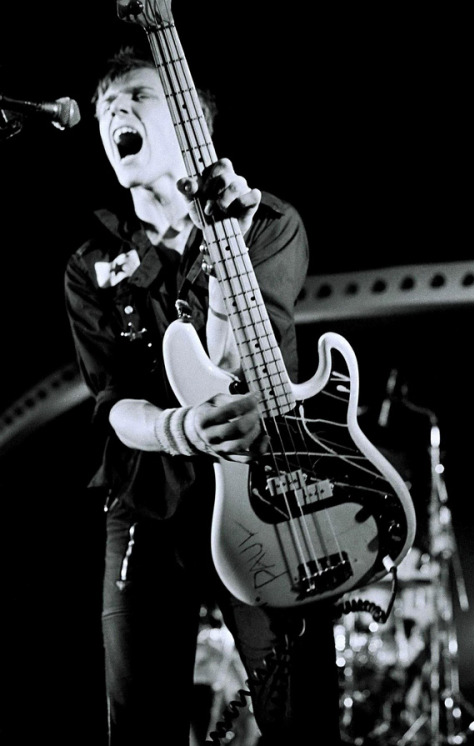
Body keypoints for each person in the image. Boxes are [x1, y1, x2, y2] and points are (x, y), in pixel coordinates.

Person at [64, 46, 340, 745]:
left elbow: (234, 365)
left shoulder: (270, 224)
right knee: (138, 727)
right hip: (148, 502)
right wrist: (179, 430)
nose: (114, 112)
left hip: (268, 496)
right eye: (105, 107)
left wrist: (227, 252)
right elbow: (111, 404)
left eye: (136, 95)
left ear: (191, 120)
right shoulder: (90, 263)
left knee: (298, 720)